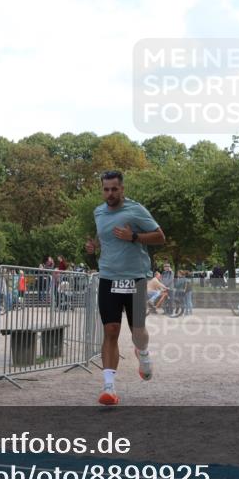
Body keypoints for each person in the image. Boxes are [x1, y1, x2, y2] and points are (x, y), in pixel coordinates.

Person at [85, 170, 165, 405]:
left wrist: (134, 236)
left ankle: (143, 352)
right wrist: (94, 247)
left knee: (138, 331)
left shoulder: (135, 210)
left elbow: (160, 237)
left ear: (122, 189)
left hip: (135, 278)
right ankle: (109, 387)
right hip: (109, 278)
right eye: (106, 189)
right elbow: (105, 237)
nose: (110, 193)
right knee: (110, 330)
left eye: (114, 189)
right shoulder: (98, 212)